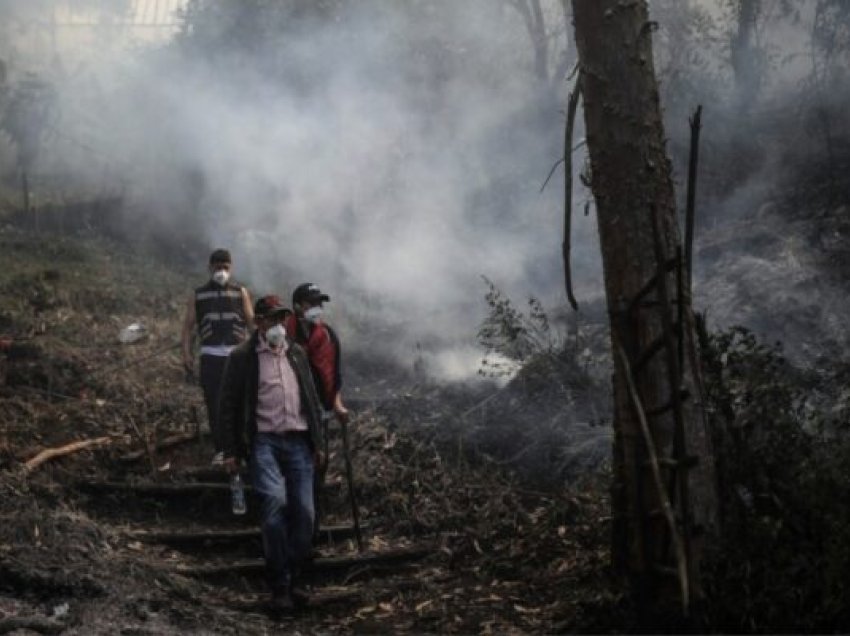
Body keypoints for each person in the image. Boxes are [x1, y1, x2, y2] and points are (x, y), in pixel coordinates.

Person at [219, 295, 325, 612]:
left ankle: (293, 578)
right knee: (275, 503)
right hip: (264, 441)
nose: (278, 326)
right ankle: (280, 585)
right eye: (271, 320)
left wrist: (319, 444)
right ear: (259, 323)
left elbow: (311, 399)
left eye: (282, 319)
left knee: (305, 514)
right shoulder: (242, 357)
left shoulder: (297, 354)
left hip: (299, 441)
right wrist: (231, 450)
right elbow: (228, 406)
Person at [181, 248, 253, 465]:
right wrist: (186, 353)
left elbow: (251, 323)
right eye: (217, 267)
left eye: (225, 267)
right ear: (209, 268)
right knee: (215, 403)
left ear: (231, 269)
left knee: (241, 402)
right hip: (211, 356)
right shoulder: (198, 294)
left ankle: (242, 449)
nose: (221, 271)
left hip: (237, 356)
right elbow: (188, 327)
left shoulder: (241, 292)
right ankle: (222, 450)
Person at [285, 283, 349, 425]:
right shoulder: (284, 335)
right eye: (311, 304)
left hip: (319, 407)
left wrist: (337, 405)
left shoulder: (328, 335)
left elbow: (334, 376)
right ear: (297, 306)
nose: (317, 308)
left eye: (319, 304)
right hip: (289, 409)